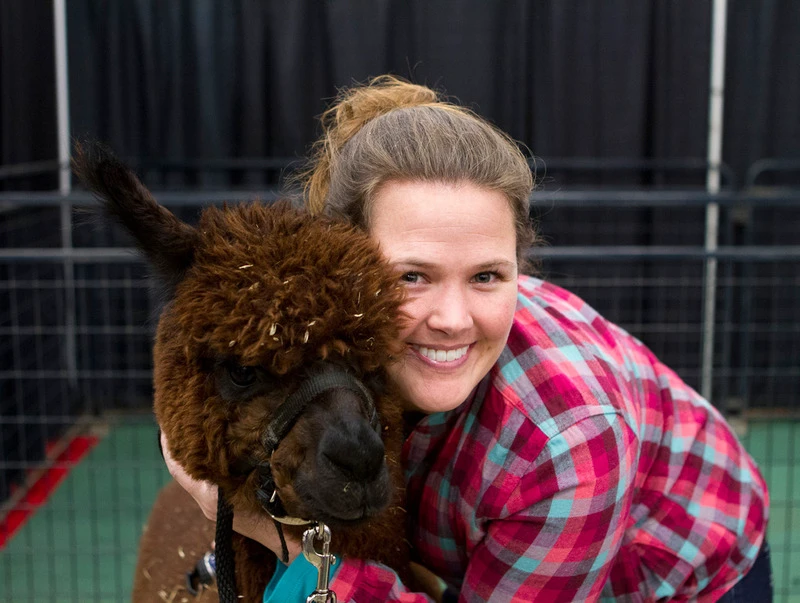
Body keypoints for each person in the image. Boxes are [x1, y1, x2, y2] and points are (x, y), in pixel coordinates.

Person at [162, 76, 771, 602]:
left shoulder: (570, 442)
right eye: (411, 277)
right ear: (344, 266)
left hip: (685, 574)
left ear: (518, 267)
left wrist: (244, 519)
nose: (453, 319)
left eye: (486, 276)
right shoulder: (331, 356)